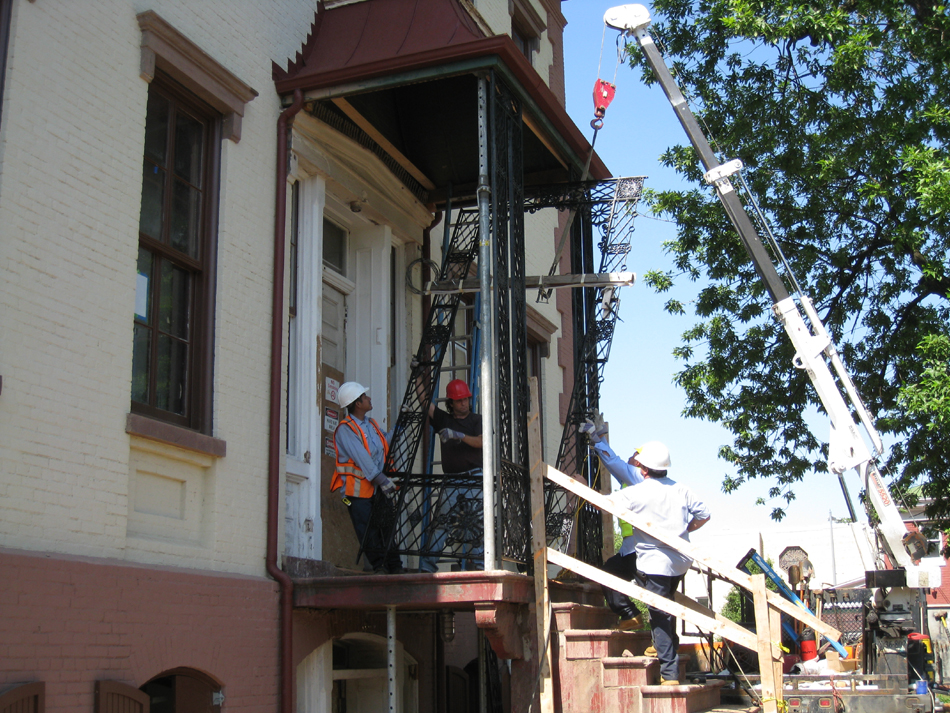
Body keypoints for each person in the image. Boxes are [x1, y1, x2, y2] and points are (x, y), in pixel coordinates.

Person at [613, 441, 710, 686]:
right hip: (680, 561)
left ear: (643, 468)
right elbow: (704, 515)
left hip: (654, 562)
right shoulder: (681, 490)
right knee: (667, 603)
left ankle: (669, 673)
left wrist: (580, 487)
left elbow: (604, 502)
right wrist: (687, 529)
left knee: (659, 614)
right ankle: (663, 647)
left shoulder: (637, 492)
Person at [332, 381, 405, 575]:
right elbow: (362, 459)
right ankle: (379, 566)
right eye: (365, 397)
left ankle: (395, 566)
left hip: (377, 487)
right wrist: (382, 480)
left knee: (387, 527)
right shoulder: (345, 429)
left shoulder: (370, 424)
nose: (369, 398)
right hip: (356, 493)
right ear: (357, 403)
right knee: (369, 531)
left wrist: (401, 423)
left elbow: (385, 444)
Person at [580, 416, 645, 631]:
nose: (631, 456)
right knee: (610, 572)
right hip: (633, 548)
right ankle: (630, 617)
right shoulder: (634, 482)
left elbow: (614, 463)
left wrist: (595, 438)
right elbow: (616, 464)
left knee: (658, 599)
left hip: (640, 549)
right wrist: (600, 437)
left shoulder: (638, 479)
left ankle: (635, 619)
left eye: (635, 454)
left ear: (641, 464)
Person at [419, 378, 483, 573]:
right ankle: (427, 568)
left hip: (474, 477)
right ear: (451, 403)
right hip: (452, 480)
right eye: (459, 400)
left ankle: (481, 566)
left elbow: (482, 442)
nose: (464, 403)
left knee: (478, 522)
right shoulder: (444, 420)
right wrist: (418, 377)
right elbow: (425, 403)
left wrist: (459, 436)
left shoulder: (477, 420)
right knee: (442, 523)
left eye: (466, 399)